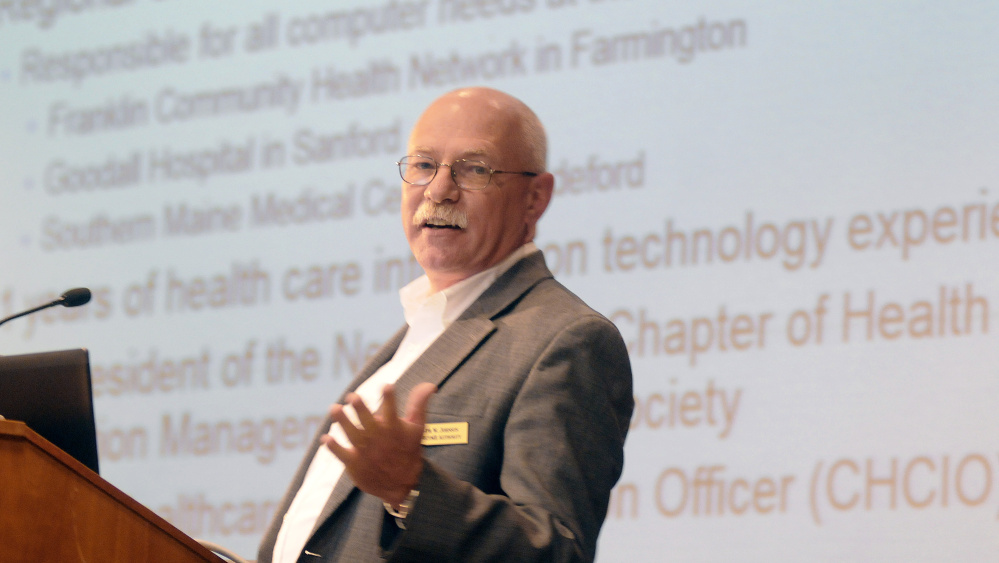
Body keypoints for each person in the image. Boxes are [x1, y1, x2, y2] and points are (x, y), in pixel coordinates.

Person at [257, 87, 633, 562]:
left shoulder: (566, 341)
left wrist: (411, 491)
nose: (438, 190)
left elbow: (557, 550)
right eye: (422, 165)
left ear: (535, 198)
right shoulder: (413, 338)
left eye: (475, 169)